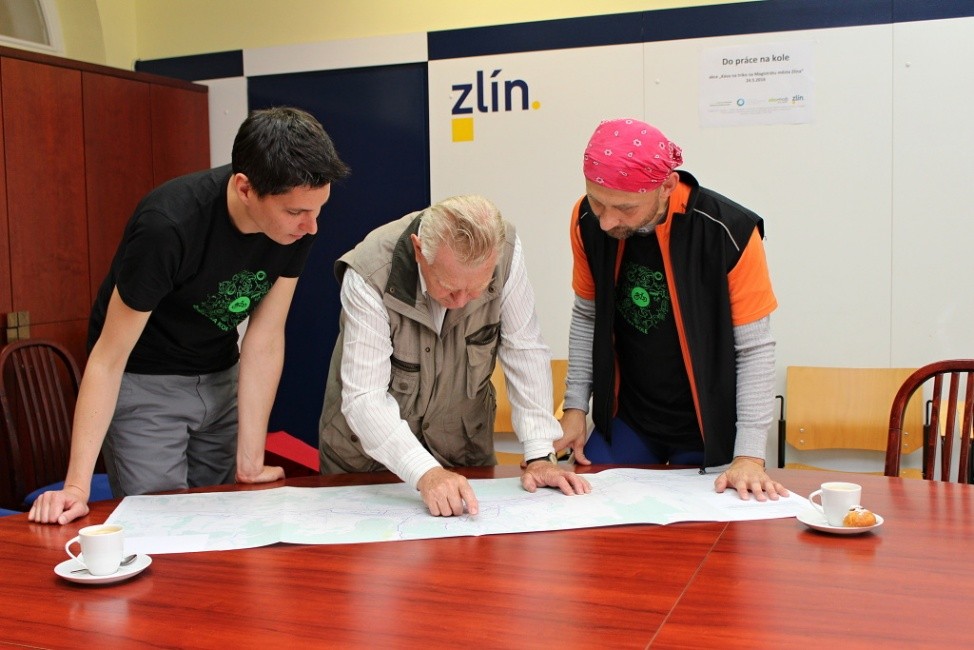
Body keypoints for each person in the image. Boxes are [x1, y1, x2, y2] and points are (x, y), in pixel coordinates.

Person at [29, 107, 350, 525]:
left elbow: (266, 337)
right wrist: (76, 487)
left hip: (219, 376)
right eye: (296, 213)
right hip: (146, 380)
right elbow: (108, 358)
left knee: (221, 520)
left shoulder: (295, 225)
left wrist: (250, 460)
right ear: (245, 188)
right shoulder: (168, 225)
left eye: (318, 209)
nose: (312, 227)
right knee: (159, 522)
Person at [556, 118, 788, 501]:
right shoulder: (586, 220)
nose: (607, 221)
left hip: (707, 427)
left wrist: (749, 455)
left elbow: (755, 349)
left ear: (666, 186)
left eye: (625, 208)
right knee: (587, 512)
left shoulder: (729, 231)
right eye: (597, 202)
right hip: (629, 418)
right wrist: (576, 408)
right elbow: (586, 316)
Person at [319, 194, 591, 516]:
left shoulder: (505, 251)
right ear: (419, 250)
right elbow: (365, 397)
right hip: (368, 465)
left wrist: (540, 454)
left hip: (462, 453)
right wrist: (426, 472)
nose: (462, 302)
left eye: (476, 289)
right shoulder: (369, 273)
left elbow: (524, 349)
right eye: (448, 287)